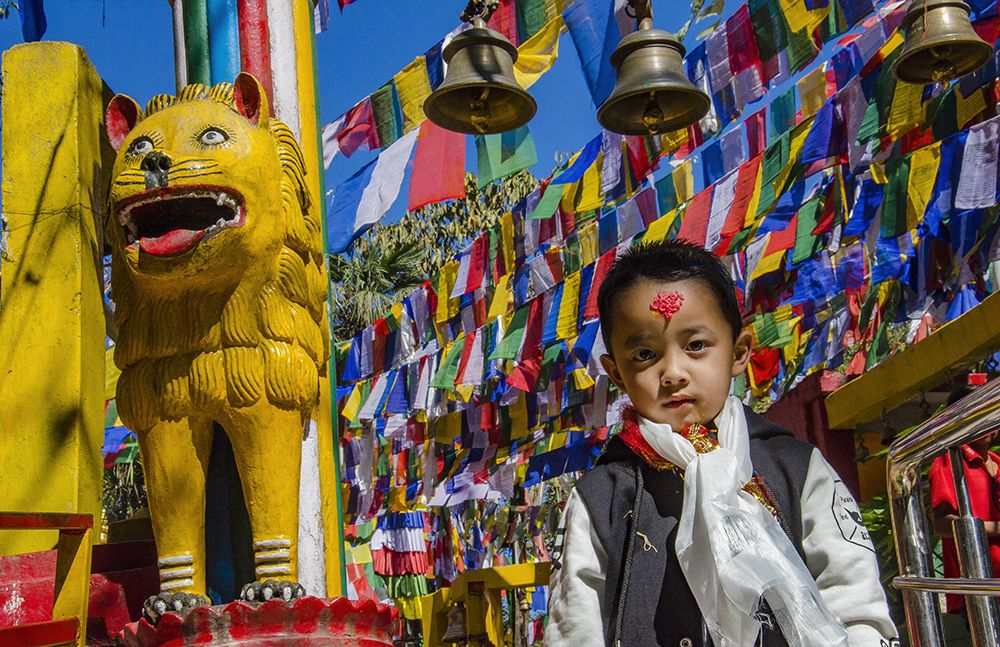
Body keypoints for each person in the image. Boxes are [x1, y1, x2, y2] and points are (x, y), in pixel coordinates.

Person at [545, 240, 897, 646]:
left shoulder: (797, 470)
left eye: (696, 346)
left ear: (739, 352)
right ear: (618, 374)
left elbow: (855, 601)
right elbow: (575, 629)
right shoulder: (600, 498)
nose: (673, 372)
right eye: (644, 354)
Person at [928, 385, 1000, 618]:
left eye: (991, 412)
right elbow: (941, 524)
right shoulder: (949, 461)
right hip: (979, 588)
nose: (987, 422)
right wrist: (994, 528)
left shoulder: (998, 462)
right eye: (978, 414)